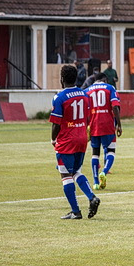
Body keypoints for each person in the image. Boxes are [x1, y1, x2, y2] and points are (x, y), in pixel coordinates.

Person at [49, 65, 100, 220]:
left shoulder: (59, 97)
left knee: (66, 175)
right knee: (76, 171)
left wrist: (53, 139)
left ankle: (75, 211)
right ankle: (91, 197)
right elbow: (88, 118)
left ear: (62, 79)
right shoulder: (85, 95)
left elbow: (56, 123)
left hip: (66, 140)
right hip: (82, 138)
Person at [85, 73, 122, 190]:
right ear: (105, 79)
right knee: (111, 150)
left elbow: (85, 110)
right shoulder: (110, 88)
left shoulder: (87, 91)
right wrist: (119, 124)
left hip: (93, 124)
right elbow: (115, 107)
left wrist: (86, 125)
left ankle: (95, 182)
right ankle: (104, 171)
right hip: (107, 124)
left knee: (95, 153)